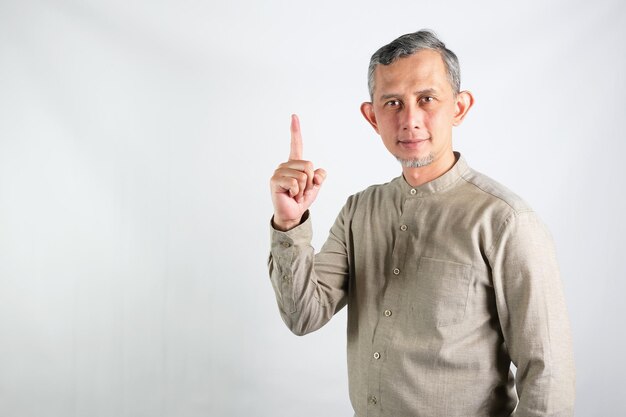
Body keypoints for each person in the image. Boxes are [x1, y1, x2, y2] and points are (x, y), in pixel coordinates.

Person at [267, 30, 575, 417]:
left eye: (427, 99)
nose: (410, 120)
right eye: (392, 102)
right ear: (372, 116)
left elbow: (549, 376)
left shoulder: (506, 221)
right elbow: (302, 315)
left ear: (460, 108)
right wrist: (289, 222)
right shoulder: (359, 210)